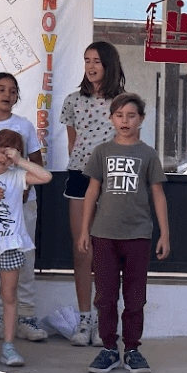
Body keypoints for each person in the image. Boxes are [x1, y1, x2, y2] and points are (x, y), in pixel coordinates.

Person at [79, 93, 170, 373]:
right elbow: (92, 192)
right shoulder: (102, 151)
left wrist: (165, 234)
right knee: (105, 295)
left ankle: (132, 350)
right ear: (111, 119)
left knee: (135, 297)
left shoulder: (148, 154)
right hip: (104, 235)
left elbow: (158, 194)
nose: (125, 121)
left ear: (141, 119)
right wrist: (84, 230)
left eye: (131, 115)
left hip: (138, 235)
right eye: (119, 115)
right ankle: (109, 348)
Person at [60, 41, 126, 346]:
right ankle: (84, 319)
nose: (90, 66)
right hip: (80, 177)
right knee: (82, 248)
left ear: (109, 64)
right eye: (87, 60)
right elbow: (73, 144)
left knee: (107, 252)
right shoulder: (73, 100)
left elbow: (128, 144)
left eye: (96, 61)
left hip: (112, 179)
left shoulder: (122, 103)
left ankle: (104, 320)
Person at [0, 72, 48, 343]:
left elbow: (36, 162)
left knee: (24, 260)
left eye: (13, 90)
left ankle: (26, 317)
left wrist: (22, 192)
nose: (7, 94)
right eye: (1, 89)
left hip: (23, 204)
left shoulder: (24, 124)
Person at [0, 130, 52, 368]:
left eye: (10, 154)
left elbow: (46, 176)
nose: (4, 158)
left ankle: (8, 346)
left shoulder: (17, 176)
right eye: (1, 151)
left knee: (9, 296)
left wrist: (20, 160)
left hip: (11, 244)